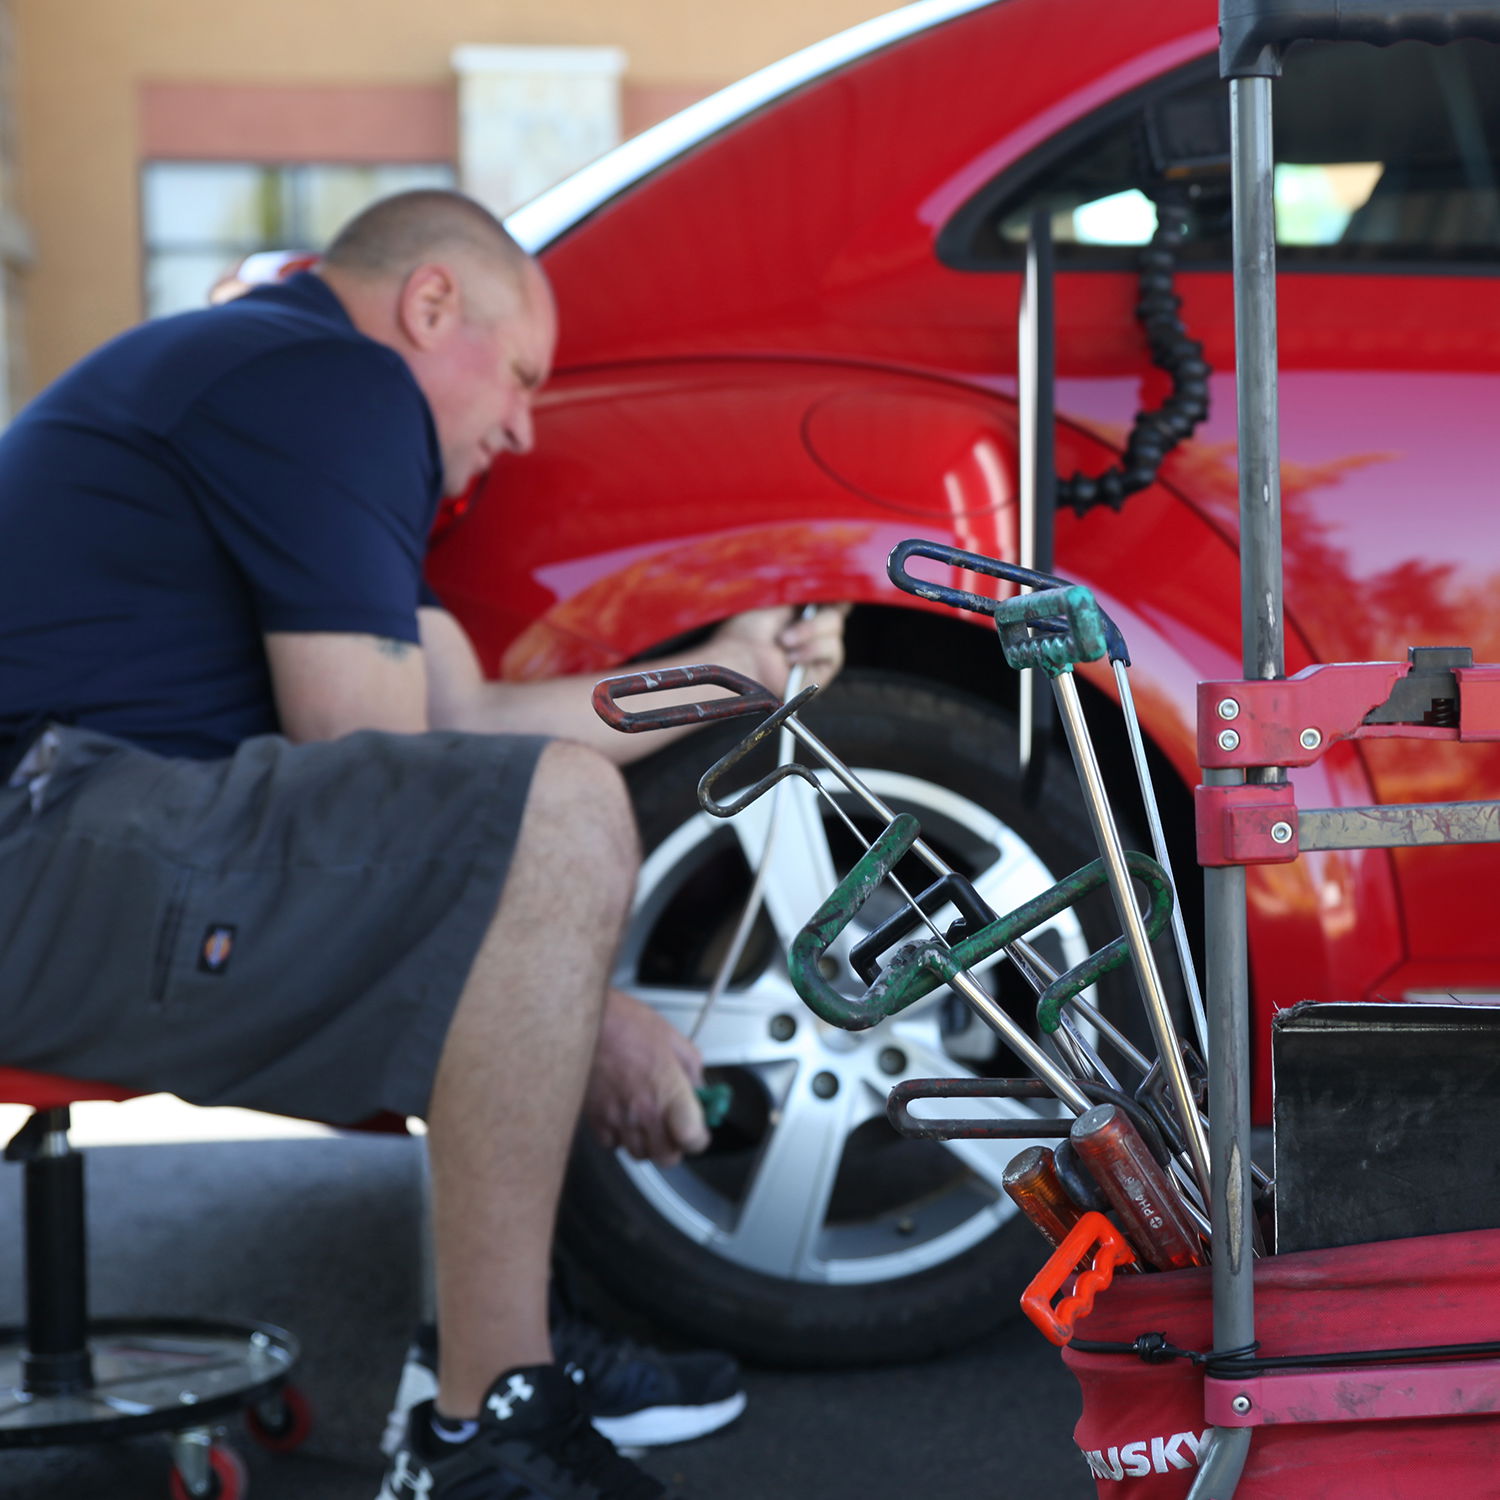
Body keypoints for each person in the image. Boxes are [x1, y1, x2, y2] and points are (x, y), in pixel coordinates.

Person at [0, 189, 847, 1500]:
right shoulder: (333, 382)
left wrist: (734, 680)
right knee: (555, 822)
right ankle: (480, 1427)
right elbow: (374, 761)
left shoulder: (276, 384)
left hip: (68, 841)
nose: (519, 423)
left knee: (540, 815)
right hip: (37, 845)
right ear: (430, 304)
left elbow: (465, 720)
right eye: (517, 377)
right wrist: (596, 1015)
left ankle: (481, 1346)